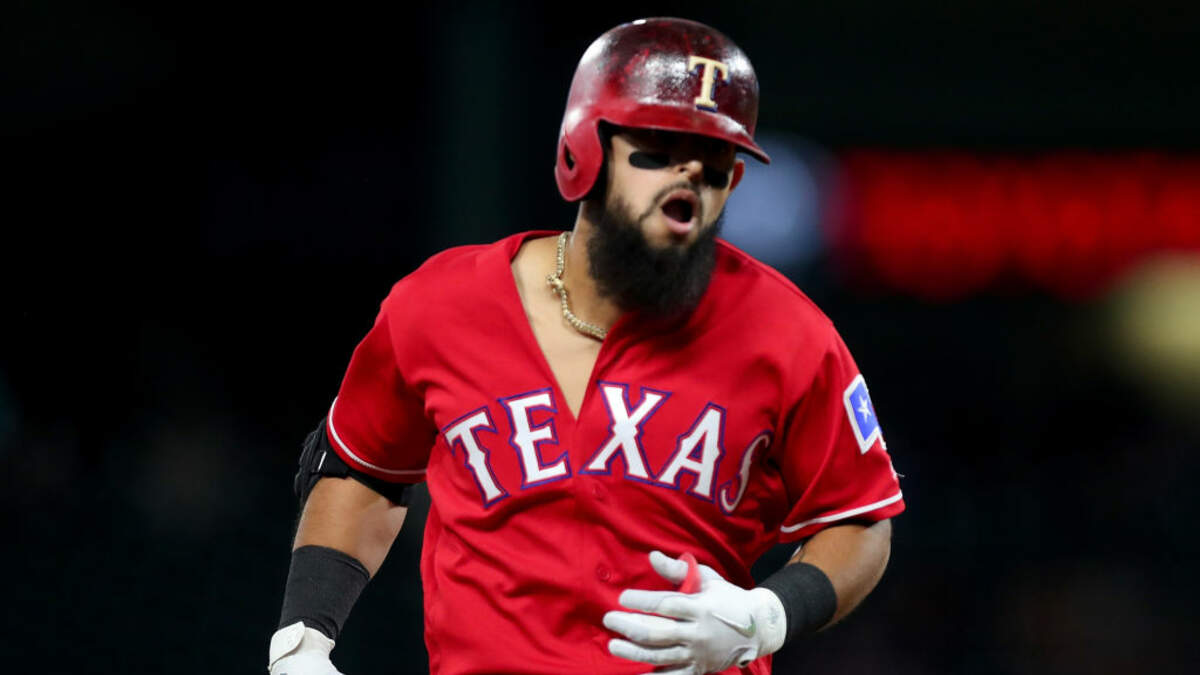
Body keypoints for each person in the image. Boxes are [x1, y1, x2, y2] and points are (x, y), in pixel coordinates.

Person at [267, 17, 904, 675]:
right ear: (584, 148)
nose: (691, 171)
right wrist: (303, 639)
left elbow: (860, 520)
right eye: (659, 145)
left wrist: (766, 615)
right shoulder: (441, 304)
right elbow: (365, 469)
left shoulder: (788, 333)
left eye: (714, 161)